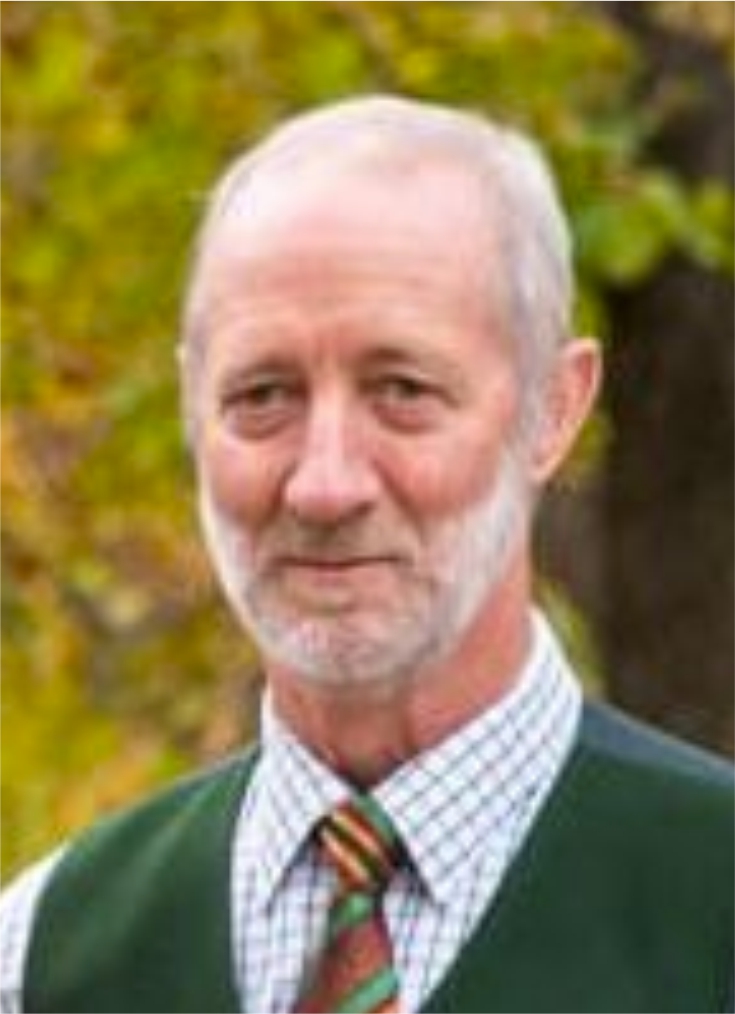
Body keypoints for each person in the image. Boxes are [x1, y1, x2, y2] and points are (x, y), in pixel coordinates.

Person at [1, 94, 732, 1014]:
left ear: (552, 409)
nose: (324, 484)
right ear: (192, 409)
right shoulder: (43, 955)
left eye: (402, 389)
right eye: (262, 395)